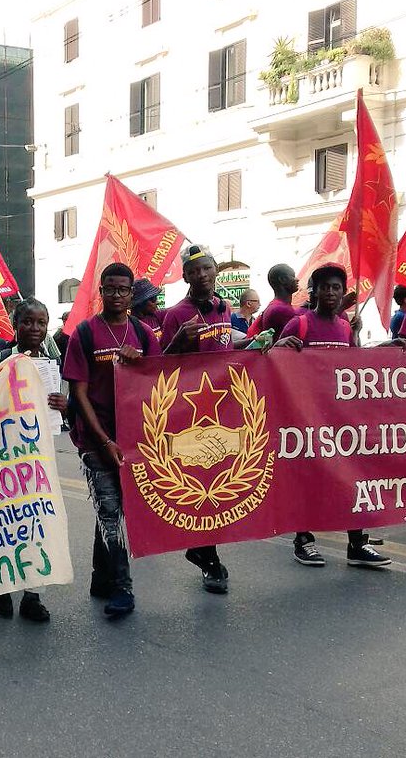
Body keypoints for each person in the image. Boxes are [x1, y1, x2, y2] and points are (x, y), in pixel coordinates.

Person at [274, 265, 403, 567]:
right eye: (325, 287)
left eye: (336, 288)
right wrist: (278, 346)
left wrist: (389, 347)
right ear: (314, 291)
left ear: (342, 292)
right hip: (305, 419)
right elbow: (272, 362)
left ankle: (357, 544)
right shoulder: (299, 324)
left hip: (340, 419)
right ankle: (303, 541)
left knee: (350, 479)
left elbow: (355, 365)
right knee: (308, 480)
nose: (331, 293)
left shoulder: (346, 327)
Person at [65, 262, 162, 619]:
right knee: (109, 510)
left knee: (113, 508)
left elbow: (161, 383)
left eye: (124, 289)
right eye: (110, 289)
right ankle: (123, 588)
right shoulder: (85, 334)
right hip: (95, 438)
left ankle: (99, 577)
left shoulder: (143, 333)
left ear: (131, 292)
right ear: (100, 291)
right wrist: (104, 441)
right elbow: (80, 392)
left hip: (134, 439)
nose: (117, 295)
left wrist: (140, 363)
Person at [0, 297, 67, 623]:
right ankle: (0, 586)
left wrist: (63, 404)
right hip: (3, 460)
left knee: (37, 527)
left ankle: (33, 596)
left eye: (41, 323)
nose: (35, 328)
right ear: (16, 326)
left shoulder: (53, 364)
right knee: (3, 527)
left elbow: (64, 407)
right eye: (28, 322)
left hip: (38, 460)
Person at [160, 246, 238, 592]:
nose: (202, 275)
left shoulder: (224, 308)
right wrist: (178, 342)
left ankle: (202, 549)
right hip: (188, 411)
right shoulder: (177, 314)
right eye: (194, 271)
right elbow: (157, 364)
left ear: (216, 270)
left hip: (223, 408)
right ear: (187, 276)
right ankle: (210, 560)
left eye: (207, 268)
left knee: (221, 483)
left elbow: (226, 352)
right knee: (203, 483)